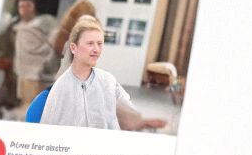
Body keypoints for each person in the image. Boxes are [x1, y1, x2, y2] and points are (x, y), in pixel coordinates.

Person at [40, 15, 169, 131]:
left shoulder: (108, 81)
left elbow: (130, 111)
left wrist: (141, 122)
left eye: (100, 44)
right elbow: (46, 130)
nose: (96, 49)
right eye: (90, 43)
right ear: (73, 48)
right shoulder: (60, 87)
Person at [9, 0, 58, 115]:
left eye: (28, 6)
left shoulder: (44, 22)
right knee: (24, 101)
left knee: (35, 104)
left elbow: (56, 37)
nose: (25, 9)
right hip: (22, 71)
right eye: (21, 6)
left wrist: (49, 51)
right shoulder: (16, 26)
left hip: (37, 72)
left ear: (34, 7)